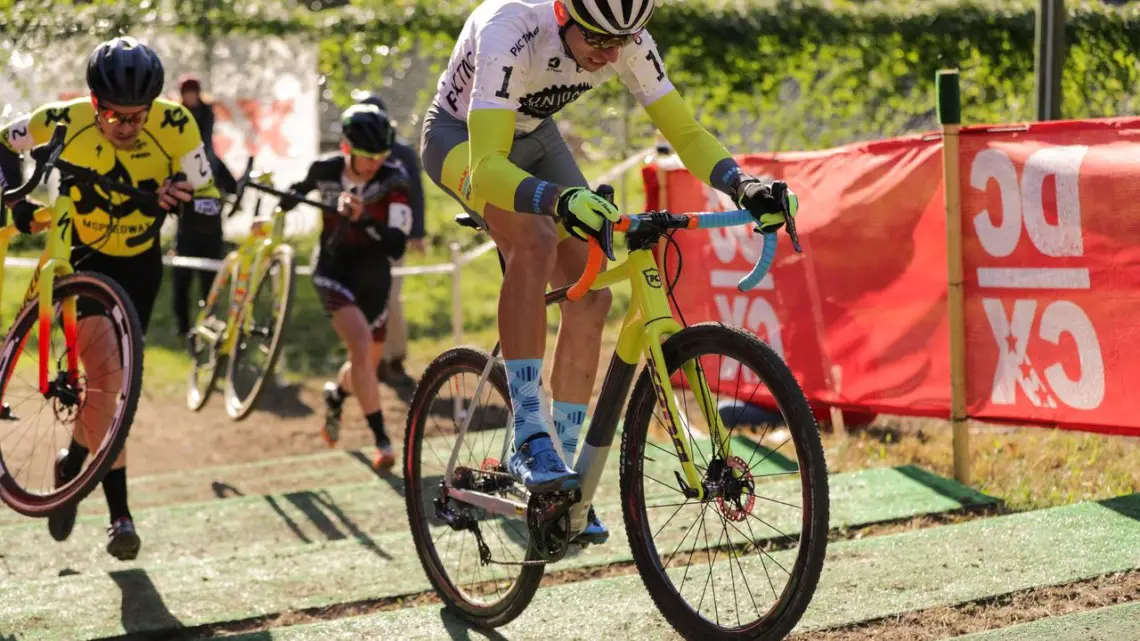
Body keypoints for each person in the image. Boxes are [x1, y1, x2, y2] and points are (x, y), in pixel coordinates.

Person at [420, 0, 799, 545]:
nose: (608, 55)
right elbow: (487, 167)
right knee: (537, 239)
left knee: (593, 293)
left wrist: (742, 184)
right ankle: (529, 433)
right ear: (562, 14)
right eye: (596, 40)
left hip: (534, 132)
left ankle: (564, 480)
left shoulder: (623, 36)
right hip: (462, 138)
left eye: (620, 43)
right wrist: (557, 198)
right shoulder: (512, 30)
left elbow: (686, 132)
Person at [0, 36, 223, 559]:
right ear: (95, 105)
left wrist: (183, 199)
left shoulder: (176, 126)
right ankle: (120, 515)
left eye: (137, 115)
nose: (127, 127)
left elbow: (212, 201)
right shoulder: (58, 118)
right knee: (107, 380)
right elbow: (2, 145)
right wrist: (16, 204)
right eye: (116, 116)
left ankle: (72, 464)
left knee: (109, 391)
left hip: (141, 265)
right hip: (83, 261)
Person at [280, 104, 412, 471]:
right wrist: (288, 198)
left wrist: (365, 218)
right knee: (360, 346)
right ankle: (382, 440)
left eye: (380, 156)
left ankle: (336, 395)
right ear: (346, 148)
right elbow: (299, 190)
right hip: (333, 273)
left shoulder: (393, 179)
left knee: (363, 366)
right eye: (365, 156)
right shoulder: (324, 171)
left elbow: (396, 245)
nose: (373, 164)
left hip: (375, 280)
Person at [358, 94, 425, 390]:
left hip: (392, 236)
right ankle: (375, 359)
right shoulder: (354, 153)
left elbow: (416, 194)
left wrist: (417, 233)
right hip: (362, 238)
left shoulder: (402, 153)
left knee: (390, 299)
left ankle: (395, 358)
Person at [171, 74, 227, 341]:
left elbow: (209, 153)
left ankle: (211, 322)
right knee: (182, 280)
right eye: (187, 92)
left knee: (210, 281)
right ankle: (183, 328)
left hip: (212, 227)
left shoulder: (207, 121)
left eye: (194, 92)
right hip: (187, 227)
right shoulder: (176, 116)